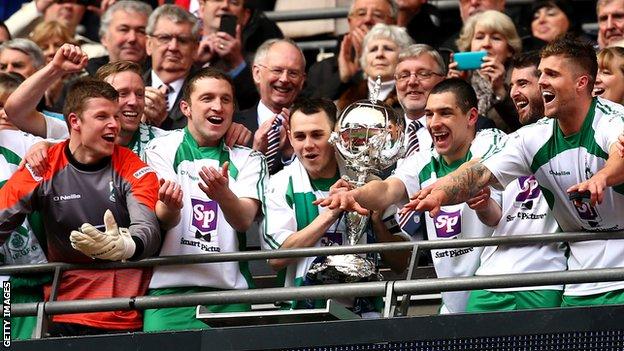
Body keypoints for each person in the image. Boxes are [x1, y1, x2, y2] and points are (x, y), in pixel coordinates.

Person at [410, 36, 624, 308]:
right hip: (580, 285)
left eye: (552, 74)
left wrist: (602, 177)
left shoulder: (611, 118)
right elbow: (479, 173)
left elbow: (620, 153)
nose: (542, 81)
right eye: (541, 73)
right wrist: (441, 192)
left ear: (582, 83)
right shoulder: (534, 137)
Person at [316, 78, 505, 313]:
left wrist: (440, 192)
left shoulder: (491, 141)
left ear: (472, 117)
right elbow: (386, 191)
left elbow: (473, 173)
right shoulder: (422, 161)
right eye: (429, 114)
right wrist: (355, 194)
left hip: (496, 289)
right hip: (453, 301)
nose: (434, 123)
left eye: (445, 113)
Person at [0, 63, 161, 336]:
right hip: (63, 309)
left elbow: (148, 228)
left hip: (124, 311)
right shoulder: (45, 164)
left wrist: (127, 245)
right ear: (75, 122)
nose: (114, 124)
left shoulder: (133, 167)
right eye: (102, 117)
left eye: (116, 117)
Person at [142, 67, 266, 332]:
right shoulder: (161, 147)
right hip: (169, 293)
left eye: (225, 99)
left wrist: (222, 194)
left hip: (230, 294)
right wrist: (171, 207)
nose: (217, 106)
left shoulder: (250, 158)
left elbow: (244, 220)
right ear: (185, 107)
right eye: (207, 98)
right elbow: (163, 217)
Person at [261, 97, 408, 314]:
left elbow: (401, 262)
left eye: (317, 135)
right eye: (300, 136)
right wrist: (331, 213)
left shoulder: (367, 182)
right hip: (303, 312)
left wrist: (377, 223)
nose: (308, 145)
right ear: (290, 138)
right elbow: (276, 258)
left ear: (336, 136)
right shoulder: (280, 185)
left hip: (365, 312)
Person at [466, 51, 567, 312]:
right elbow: (496, 218)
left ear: (546, 87)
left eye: (522, 83)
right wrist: (483, 205)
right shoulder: (508, 143)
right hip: (491, 277)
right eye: (512, 85)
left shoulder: (569, 141)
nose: (513, 93)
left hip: (546, 277)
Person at [0, 72, 48, 340]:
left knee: (11, 344)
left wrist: (43, 144)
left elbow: (66, 147)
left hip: (18, 283)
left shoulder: (19, 143)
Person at [235, 38, 305, 175]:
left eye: (293, 73)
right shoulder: (233, 125)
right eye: (277, 70)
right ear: (257, 74)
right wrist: (256, 156)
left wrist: (289, 156)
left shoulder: (313, 126)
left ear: (302, 81)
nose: (284, 79)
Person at [196, 0, 282, 110]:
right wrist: (194, 64)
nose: (224, 6)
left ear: (245, 15)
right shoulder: (182, 45)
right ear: (202, 8)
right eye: (217, 0)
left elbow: (264, 104)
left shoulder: (261, 59)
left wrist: (237, 63)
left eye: (234, 2)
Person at [303, 0, 396, 100]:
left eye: (377, 15)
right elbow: (308, 110)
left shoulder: (404, 64)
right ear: (350, 21)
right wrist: (341, 78)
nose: (368, 19)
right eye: (361, 13)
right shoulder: (321, 69)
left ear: (393, 23)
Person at [450, 10, 522, 132]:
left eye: (496, 38)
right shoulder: (461, 78)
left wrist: (500, 90)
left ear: (510, 49)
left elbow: (525, 125)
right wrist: (454, 88)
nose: (486, 44)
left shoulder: (520, 80)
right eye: (479, 37)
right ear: (469, 45)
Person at [144, 4, 200, 130]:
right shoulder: (130, 87)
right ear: (148, 44)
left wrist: (163, 120)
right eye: (165, 38)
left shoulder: (209, 92)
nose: (173, 47)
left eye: (183, 40)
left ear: (195, 49)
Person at [336, 23, 413, 111]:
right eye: (373, 49)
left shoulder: (415, 98)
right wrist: (346, 78)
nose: (379, 54)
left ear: (404, 57)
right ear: (364, 59)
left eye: (388, 49)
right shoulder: (346, 99)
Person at [4, 0, 106, 58]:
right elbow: (3, 36)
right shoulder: (22, 44)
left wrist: (111, 20)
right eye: (60, 0)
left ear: (84, 10)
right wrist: (37, 7)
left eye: (77, 1)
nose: (68, 6)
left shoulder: (94, 52)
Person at [86, 0, 152, 76]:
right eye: (123, 29)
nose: (132, 38)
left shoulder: (162, 81)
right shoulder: (83, 78)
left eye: (141, 31)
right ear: (104, 37)